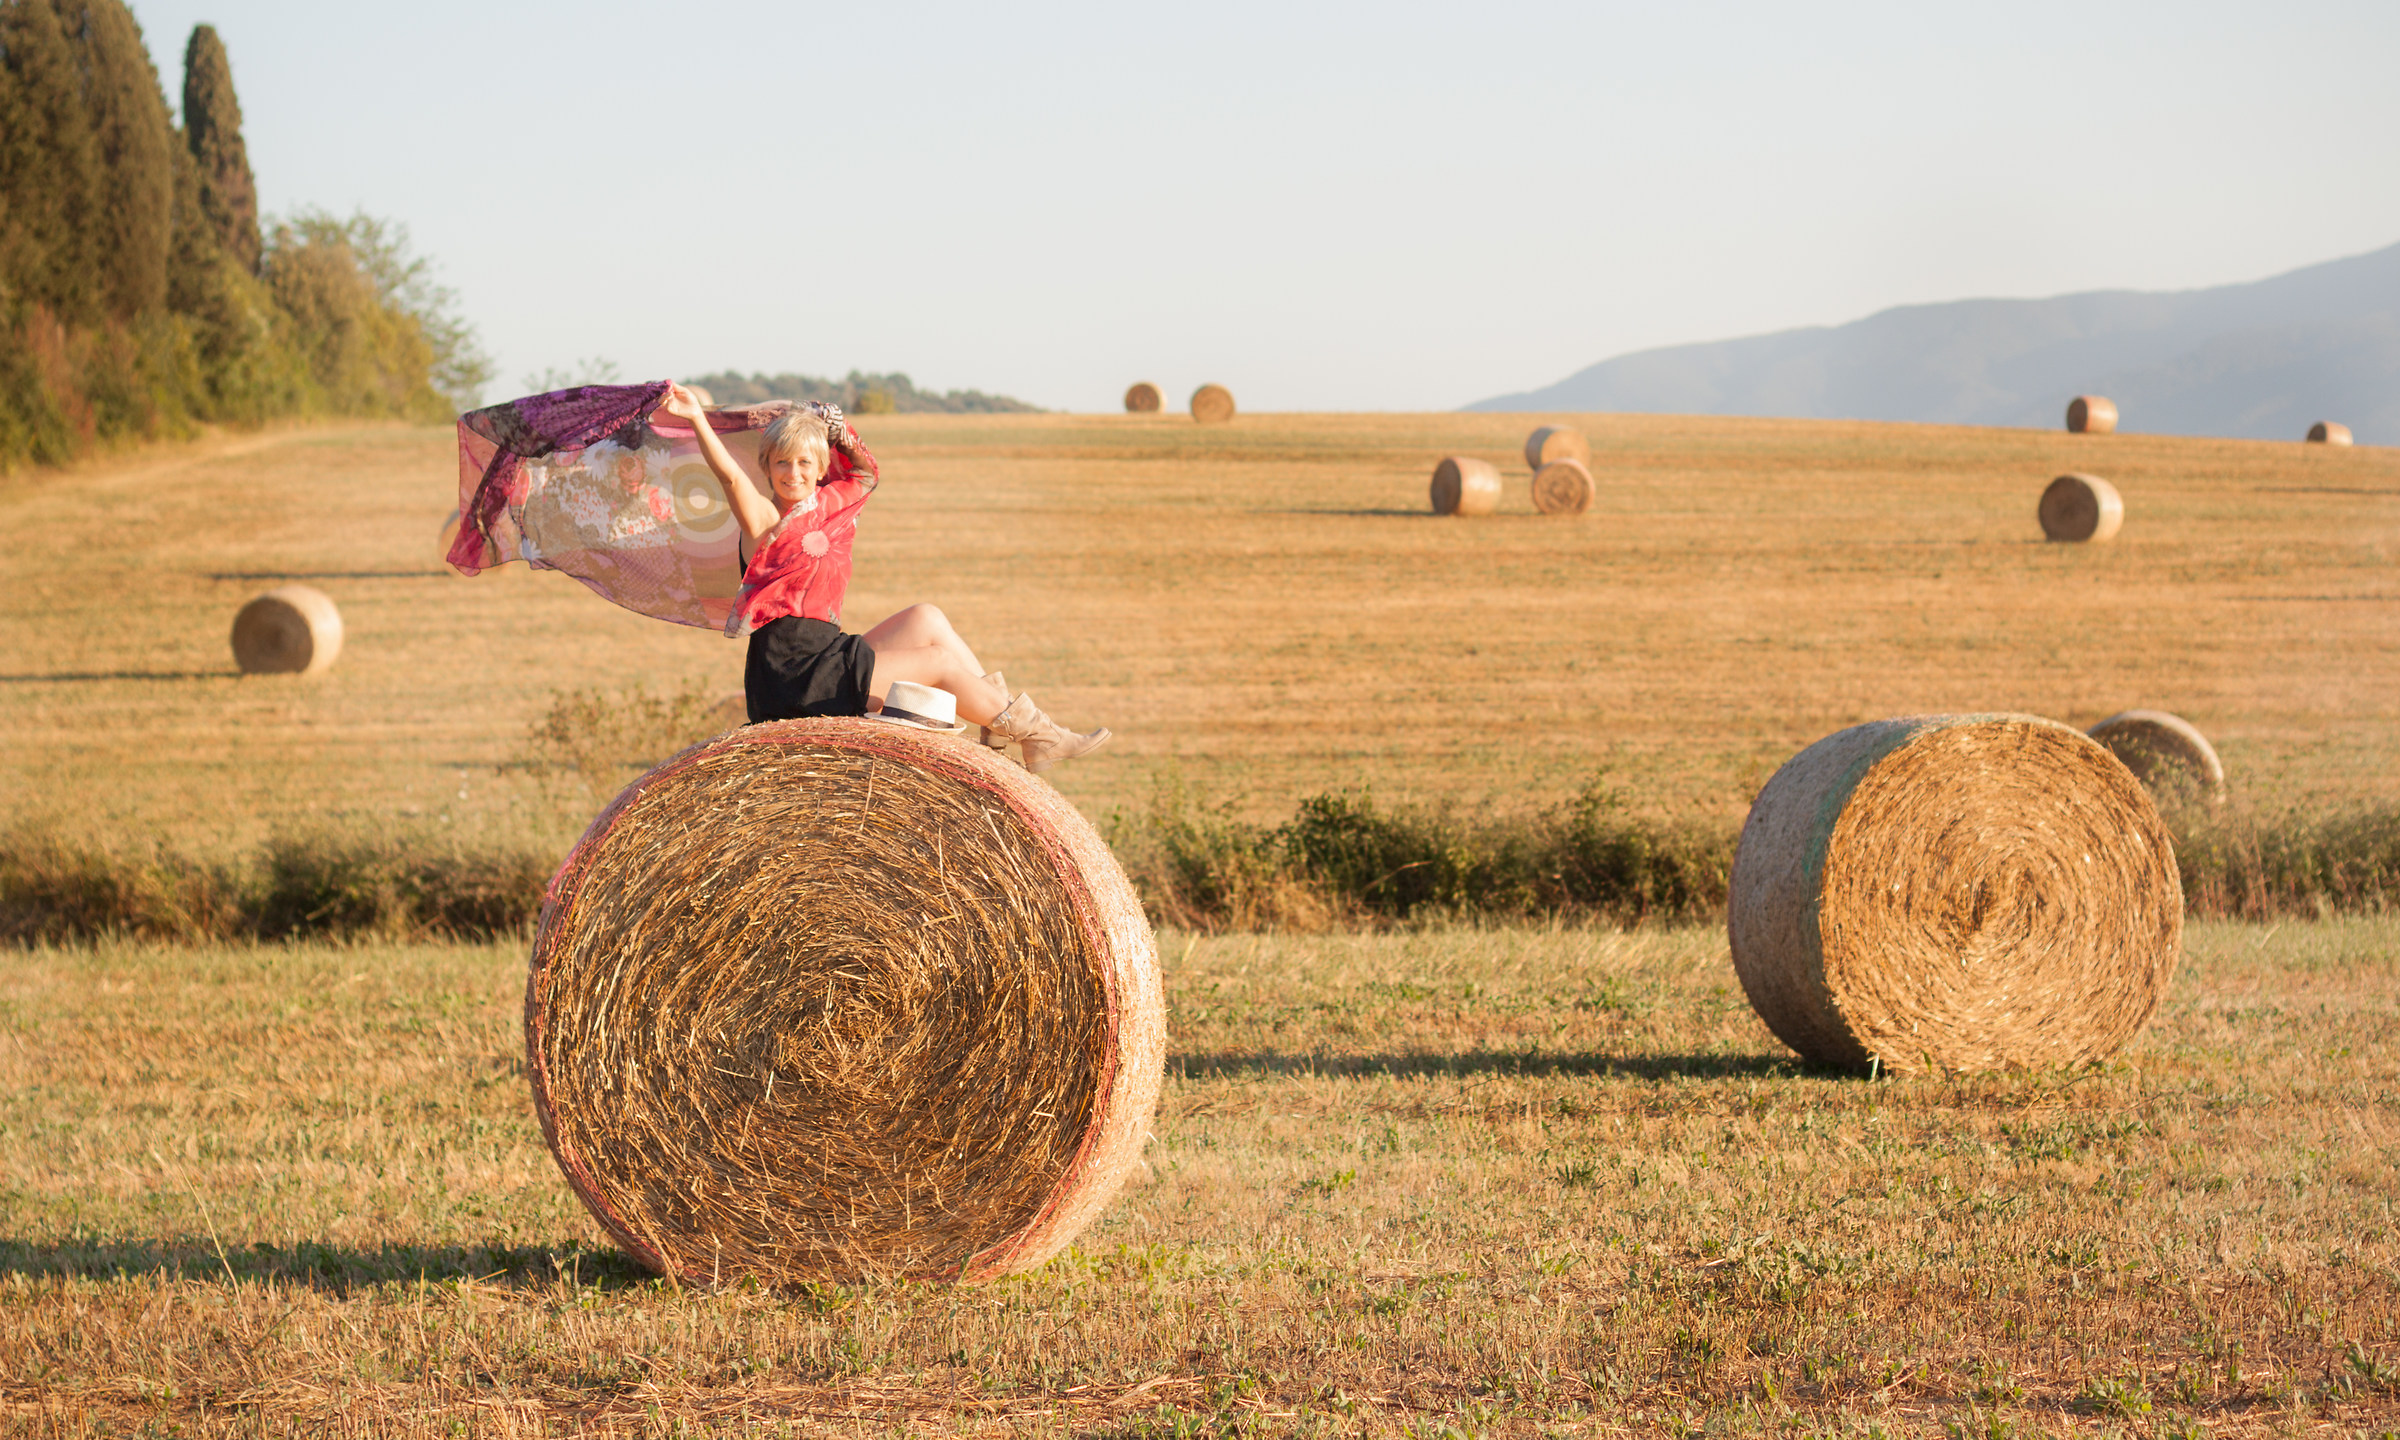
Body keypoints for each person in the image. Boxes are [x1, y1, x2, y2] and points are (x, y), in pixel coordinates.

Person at [659, 383, 1110, 772]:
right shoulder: (763, 522)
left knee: (926, 618)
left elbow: (865, 472)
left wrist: (841, 430)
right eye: (780, 463)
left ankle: (997, 726)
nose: (791, 473)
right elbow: (731, 480)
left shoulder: (830, 506)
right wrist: (698, 418)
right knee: (937, 663)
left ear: (819, 468)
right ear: (766, 467)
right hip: (791, 676)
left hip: (825, 653)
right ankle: (1038, 734)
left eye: (802, 463)